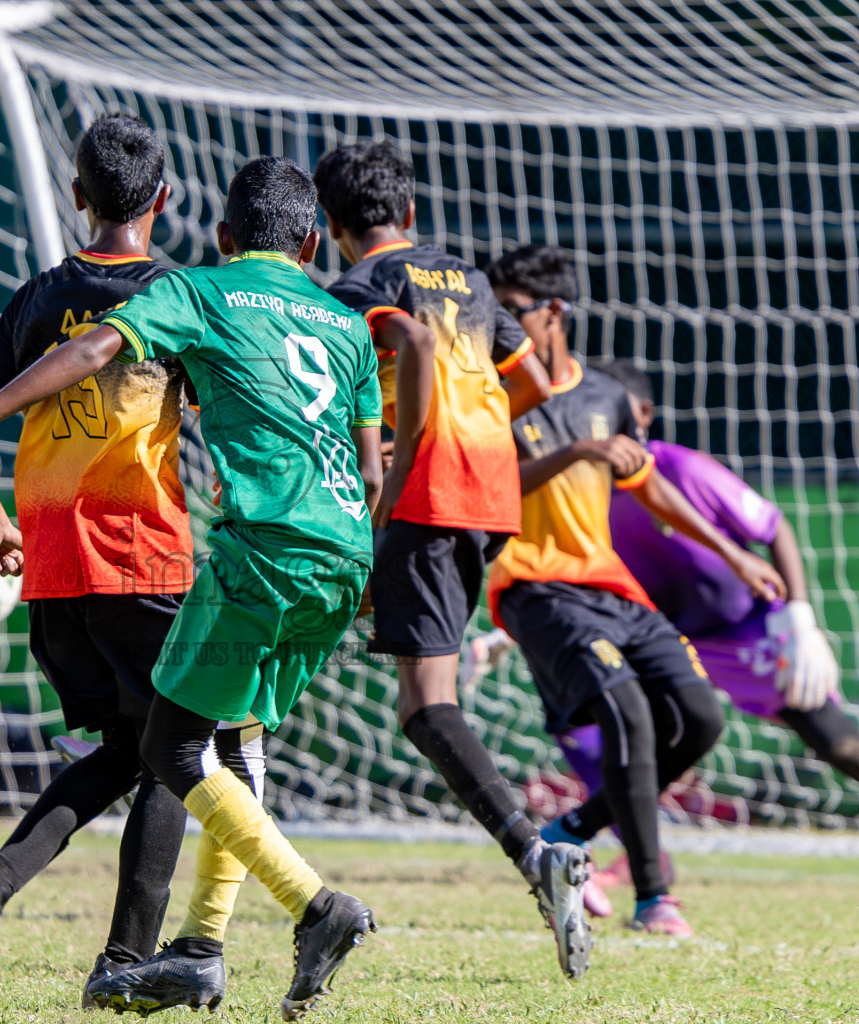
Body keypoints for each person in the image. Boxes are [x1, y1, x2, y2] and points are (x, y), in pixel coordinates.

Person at [0, 156, 385, 1020]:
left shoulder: (201, 291)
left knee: (171, 748)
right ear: (314, 243)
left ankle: (318, 908)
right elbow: (368, 464)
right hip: (346, 558)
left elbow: (96, 347)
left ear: (220, 236)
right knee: (230, 744)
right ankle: (200, 949)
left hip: (254, 554)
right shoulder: (346, 325)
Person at [552, 360, 859, 908]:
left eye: (604, 407)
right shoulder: (579, 488)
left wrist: (800, 619)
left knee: (836, 739)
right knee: (582, 728)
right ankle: (640, 853)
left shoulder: (683, 469)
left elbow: (773, 528)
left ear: (641, 414)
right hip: (658, 635)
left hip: (747, 631)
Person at [0, 113, 194, 1002]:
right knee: (181, 753)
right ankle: (126, 962)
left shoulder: (40, 295)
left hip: (52, 569)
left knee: (125, 747)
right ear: (164, 199)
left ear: (78, 197)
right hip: (141, 558)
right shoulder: (179, 294)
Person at [312, 140, 591, 979]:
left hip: (426, 496)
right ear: (409, 213)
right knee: (414, 685)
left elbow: (413, 356)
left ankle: (540, 855)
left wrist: (396, 466)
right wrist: (468, 428)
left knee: (427, 708)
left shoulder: (358, 290)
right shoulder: (464, 277)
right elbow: (538, 382)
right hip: (489, 492)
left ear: (330, 229)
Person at [484, 243, 787, 937]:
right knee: (628, 713)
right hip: (535, 585)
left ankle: (573, 828)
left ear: (553, 313)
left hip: (609, 586)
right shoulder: (493, 396)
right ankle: (655, 898)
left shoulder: (606, 396)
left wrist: (737, 557)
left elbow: (649, 485)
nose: (498, 326)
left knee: (701, 718)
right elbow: (491, 490)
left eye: (511, 311)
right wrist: (576, 453)